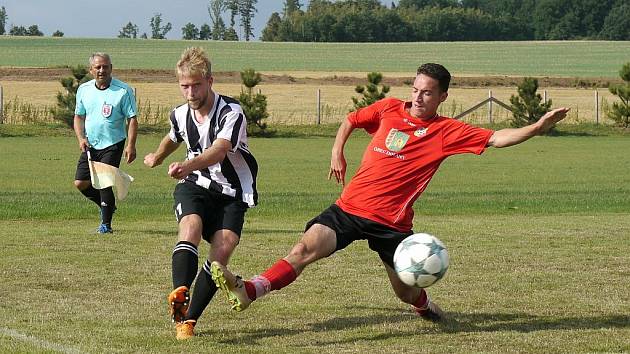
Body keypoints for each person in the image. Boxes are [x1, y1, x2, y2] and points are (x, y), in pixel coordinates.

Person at [210, 63, 570, 322]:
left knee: (405, 292)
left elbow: (496, 138)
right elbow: (351, 119)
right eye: (415, 89)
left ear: (443, 96)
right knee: (303, 249)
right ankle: (250, 289)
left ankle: (424, 306)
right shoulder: (388, 109)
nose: (418, 97)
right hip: (349, 208)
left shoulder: (447, 131)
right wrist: (337, 151)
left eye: (427, 92)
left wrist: (537, 127)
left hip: (392, 225)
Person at [143, 47, 258, 340]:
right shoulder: (180, 114)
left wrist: (186, 163)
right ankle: (179, 295)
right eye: (184, 86)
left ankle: (189, 320)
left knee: (222, 253)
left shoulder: (231, 111)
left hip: (232, 190)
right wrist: (157, 156)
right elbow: (172, 136)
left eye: (196, 84)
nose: (190, 92)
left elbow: (219, 151)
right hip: (195, 183)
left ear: (210, 80)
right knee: (190, 226)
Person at [73, 52, 138, 234]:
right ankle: (107, 206)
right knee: (80, 183)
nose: (102, 70)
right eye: (98, 67)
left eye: (105, 66)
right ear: (91, 70)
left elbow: (132, 119)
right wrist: (81, 138)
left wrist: (131, 145)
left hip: (113, 143)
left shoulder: (123, 91)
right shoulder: (84, 90)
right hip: (91, 144)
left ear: (111, 68)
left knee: (104, 181)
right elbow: (78, 116)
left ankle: (106, 225)